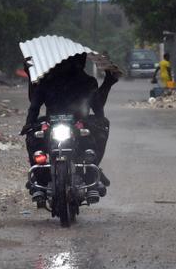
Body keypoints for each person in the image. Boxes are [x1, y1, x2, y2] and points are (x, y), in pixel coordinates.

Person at [20, 54, 117, 201]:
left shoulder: (87, 81)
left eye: (76, 62)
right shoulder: (47, 81)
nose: (73, 65)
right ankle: (39, 179)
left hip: (79, 123)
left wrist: (107, 84)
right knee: (34, 138)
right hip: (52, 123)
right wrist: (29, 124)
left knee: (96, 139)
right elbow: (34, 104)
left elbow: (97, 105)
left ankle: (92, 177)